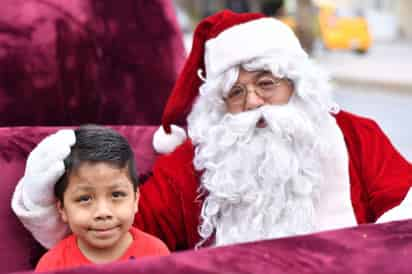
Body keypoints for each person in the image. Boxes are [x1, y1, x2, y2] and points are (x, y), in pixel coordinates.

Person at [12, 10, 412, 253]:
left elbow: (404, 217)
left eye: (266, 83)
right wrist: (48, 203)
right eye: (236, 92)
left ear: (296, 83)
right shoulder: (199, 161)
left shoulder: (356, 135)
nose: (252, 101)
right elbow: (119, 233)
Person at [15, 125, 169, 272]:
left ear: (135, 200)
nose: (103, 212)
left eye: (116, 195)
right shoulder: (53, 264)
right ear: (62, 209)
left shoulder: (156, 253)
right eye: (84, 198)